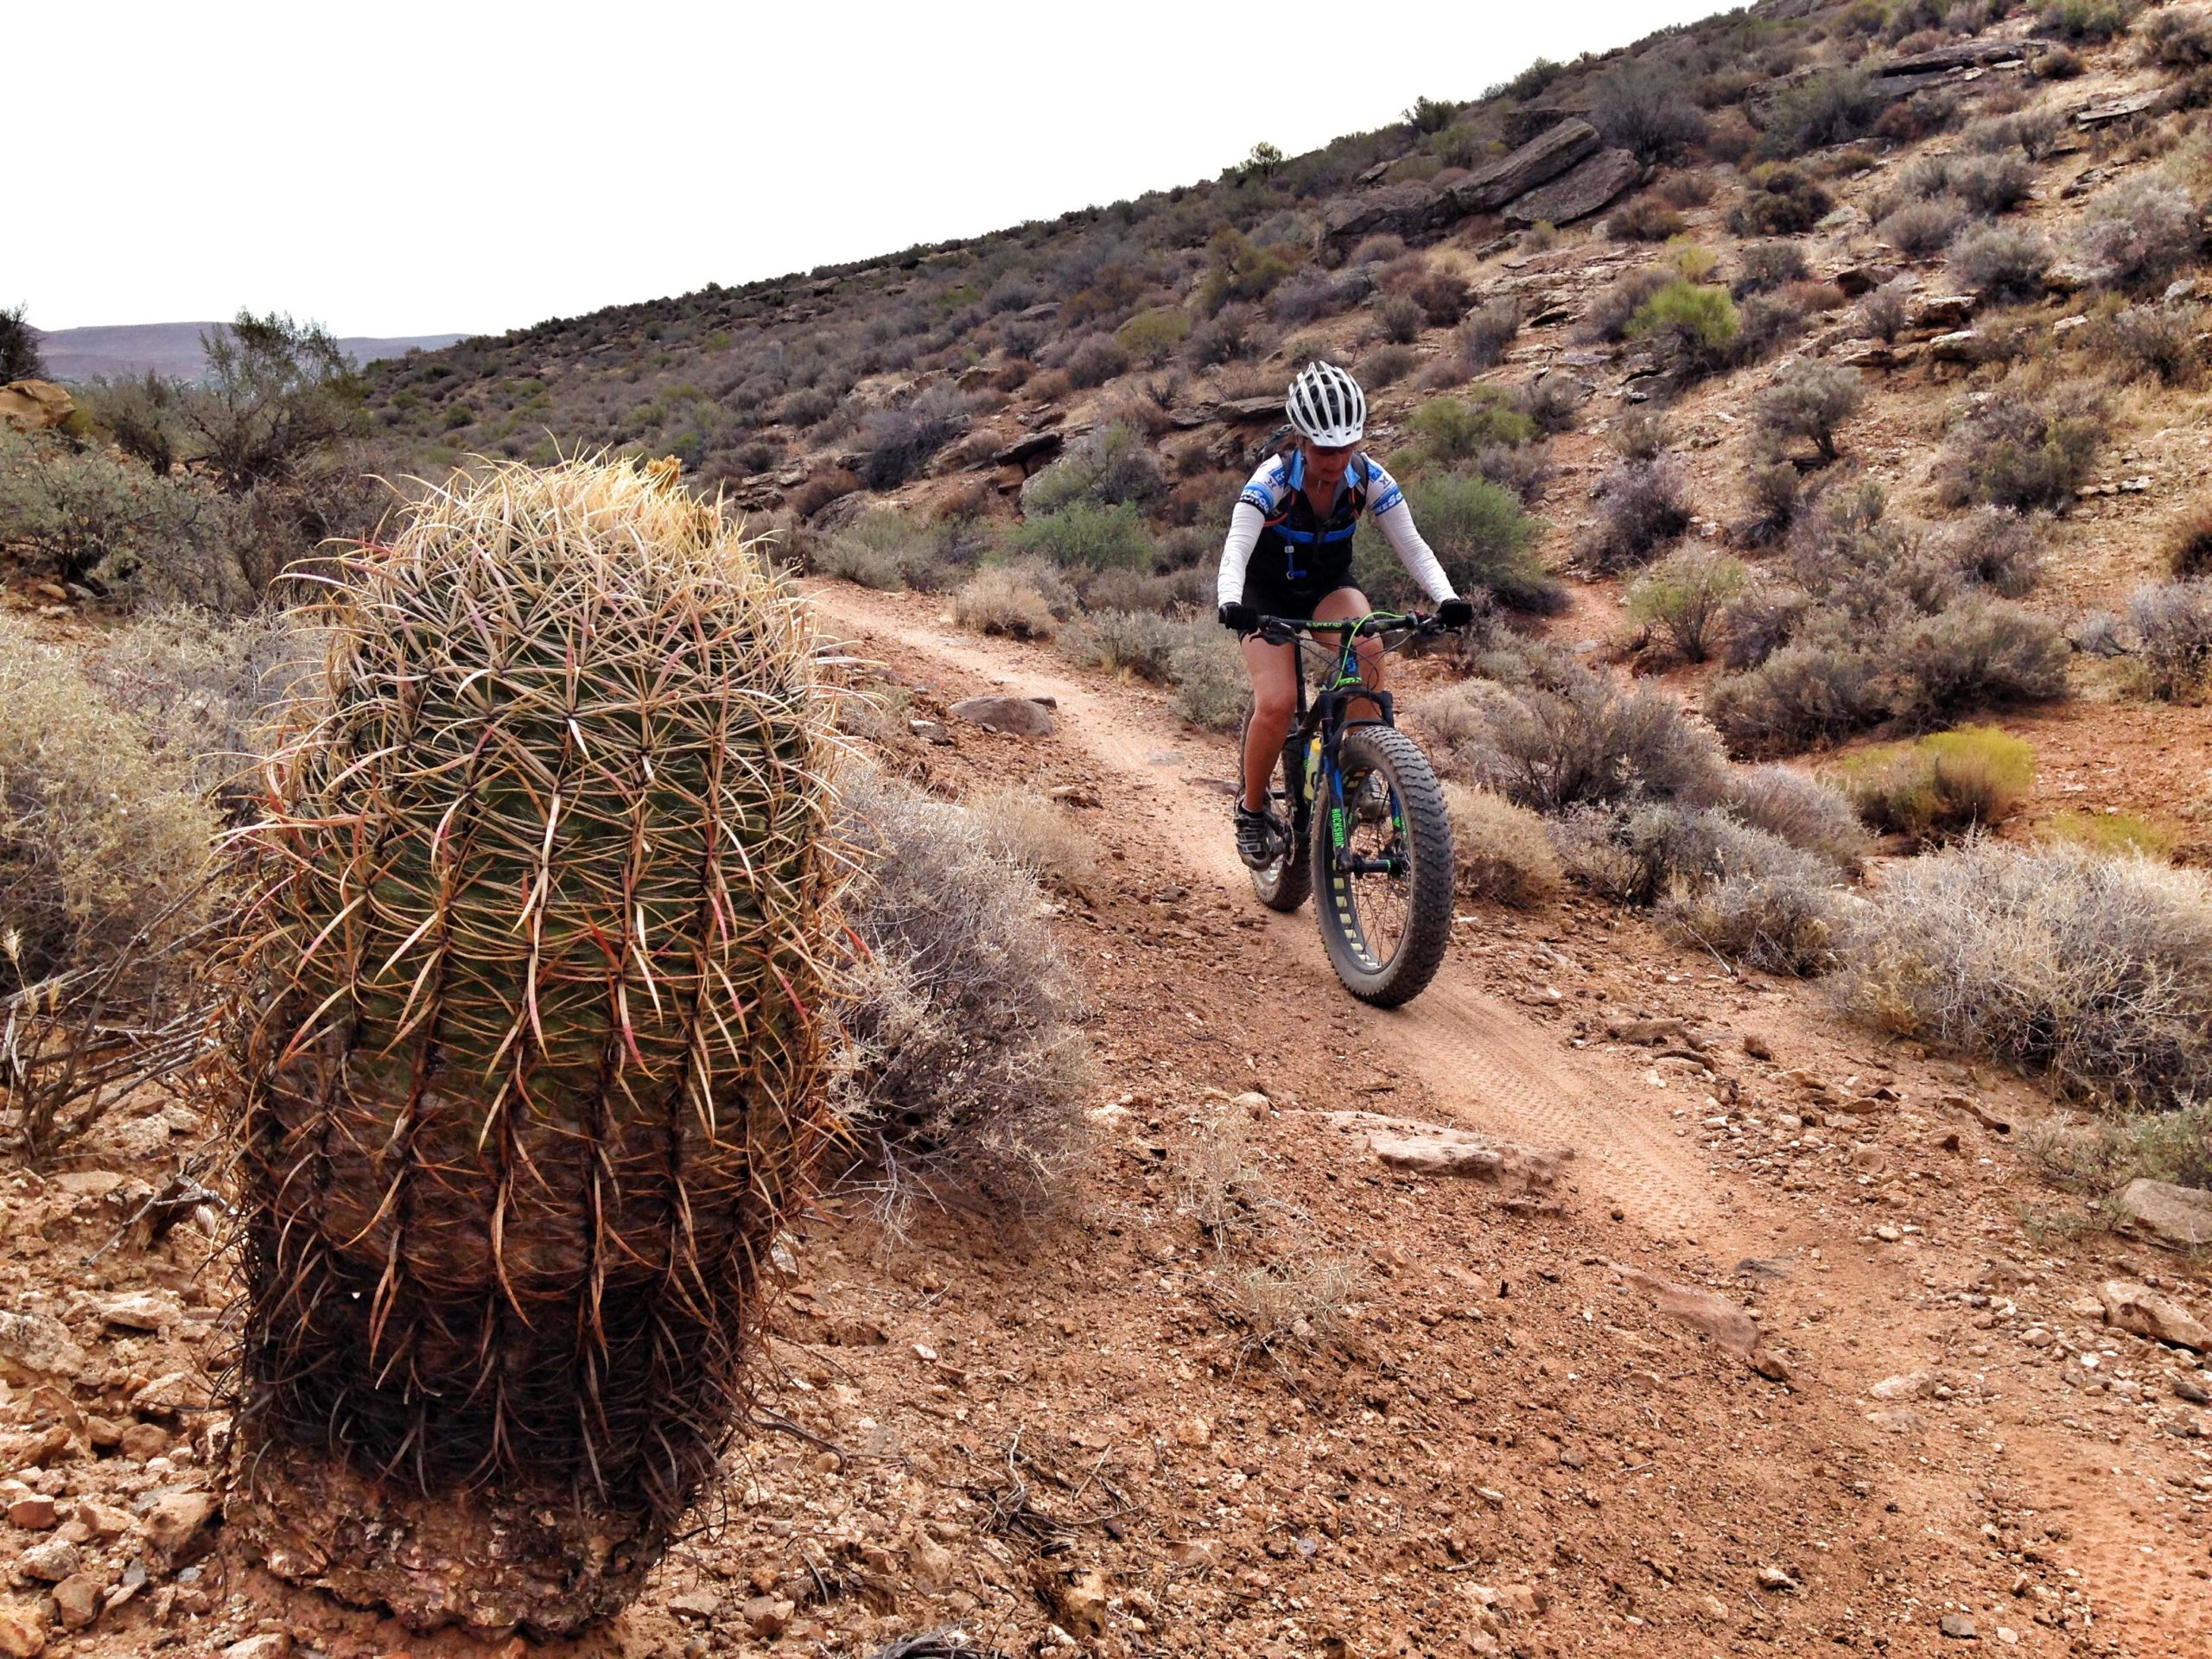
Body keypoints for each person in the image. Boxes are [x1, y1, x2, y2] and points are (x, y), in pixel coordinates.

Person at [1216, 360, 1472, 868]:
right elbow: (1236, 548)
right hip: (1264, 594)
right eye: (1323, 450)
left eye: (1346, 448)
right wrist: (1231, 602)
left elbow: (1413, 547)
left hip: (1327, 588)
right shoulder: (1271, 480)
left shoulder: (1367, 478)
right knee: (1277, 701)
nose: (1335, 461)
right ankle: (1251, 809)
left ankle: (1361, 768)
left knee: (1369, 648)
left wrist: (1447, 599)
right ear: (1299, 440)